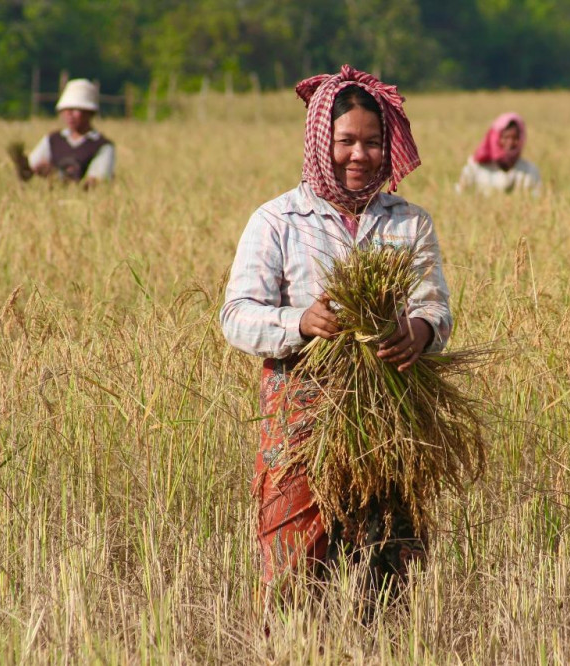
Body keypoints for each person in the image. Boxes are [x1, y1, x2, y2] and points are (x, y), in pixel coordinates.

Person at [219, 65, 452, 589]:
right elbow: (236, 316)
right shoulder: (278, 221)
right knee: (296, 569)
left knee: (388, 569)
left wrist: (418, 331)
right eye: (346, 140)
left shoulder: (408, 222)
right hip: (302, 415)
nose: (359, 155)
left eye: (372, 142)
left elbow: (435, 308)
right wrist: (301, 321)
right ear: (321, 140)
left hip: (390, 413)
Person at [9, 78, 115, 187]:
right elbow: (30, 171)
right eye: (66, 110)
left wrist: (56, 176)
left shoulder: (102, 146)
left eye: (75, 109)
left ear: (89, 112)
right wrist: (23, 166)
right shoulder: (53, 140)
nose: (69, 114)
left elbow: (96, 183)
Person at [456, 112, 541, 195]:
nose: (510, 143)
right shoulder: (475, 168)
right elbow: (459, 193)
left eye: (515, 138)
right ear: (496, 138)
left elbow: (537, 197)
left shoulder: (530, 171)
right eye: (505, 137)